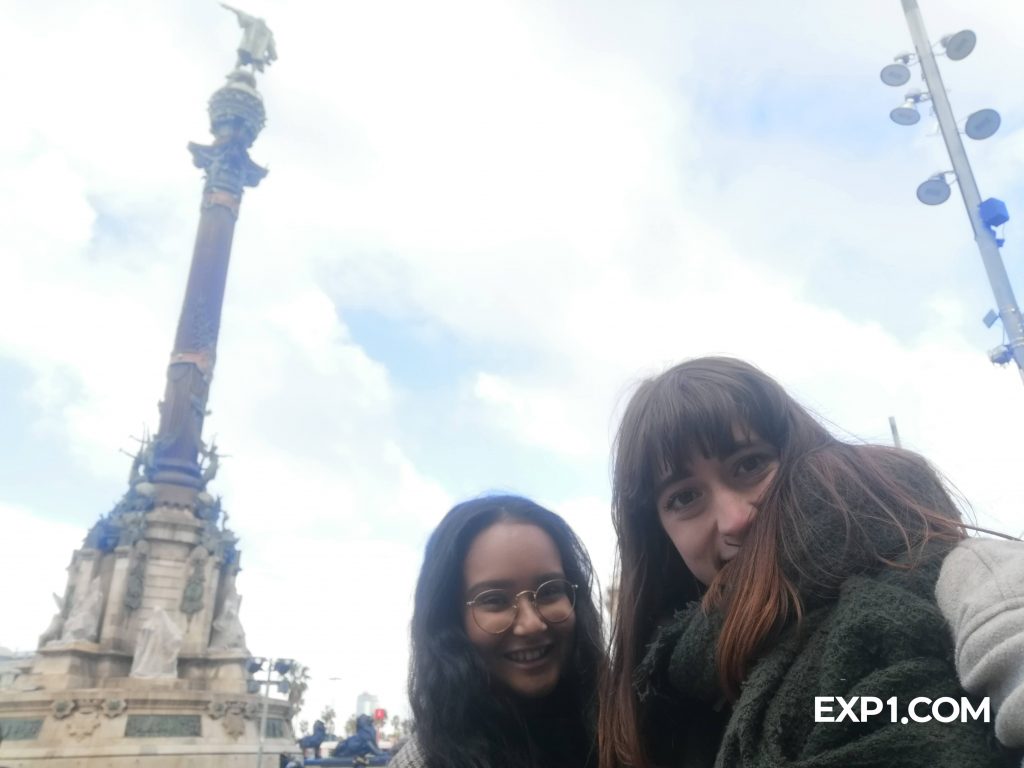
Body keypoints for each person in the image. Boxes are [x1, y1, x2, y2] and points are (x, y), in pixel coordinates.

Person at [599, 356, 1018, 768]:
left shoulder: (959, 576)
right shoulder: (666, 700)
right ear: (660, 536)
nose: (735, 519)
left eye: (750, 464)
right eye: (684, 498)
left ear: (803, 454)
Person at [392, 495, 605, 768]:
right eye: (494, 600)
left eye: (550, 591)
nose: (532, 624)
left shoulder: (627, 731)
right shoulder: (423, 762)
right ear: (450, 619)